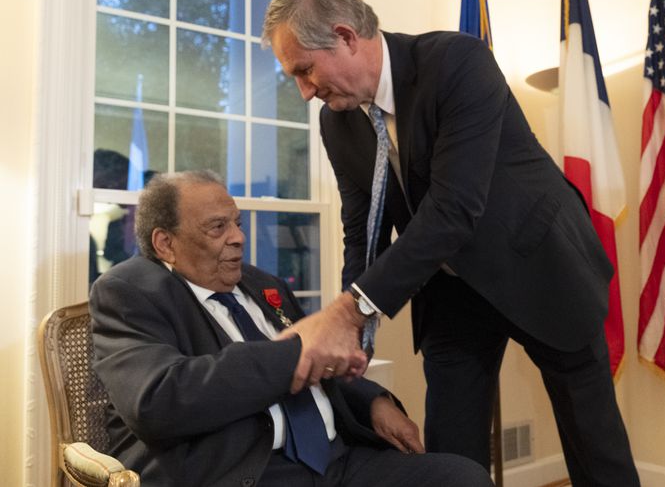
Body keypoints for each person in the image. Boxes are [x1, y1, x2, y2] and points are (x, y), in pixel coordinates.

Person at [262, 0, 640, 486]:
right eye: (295, 78)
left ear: (346, 35)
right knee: (449, 454)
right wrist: (357, 331)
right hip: (450, 289)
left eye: (305, 70)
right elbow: (362, 228)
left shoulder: (457, 62)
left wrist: (348, 310)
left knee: (597, 450)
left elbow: (455, 207)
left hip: (540, 264)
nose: (305, 91)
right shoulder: (338, 120)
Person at [89, 170, 493, 487]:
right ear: (165, 244)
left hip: (336, 461)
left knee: (464, 477)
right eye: (217, 228)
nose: (238, 238)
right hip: (246, 472)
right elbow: (160, 401)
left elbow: (316, 365)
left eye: (237, 223)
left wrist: (372, 401)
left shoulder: (264, 285)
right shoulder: (129, 292)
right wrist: (295, 350)